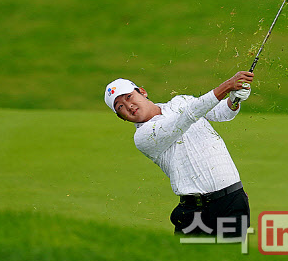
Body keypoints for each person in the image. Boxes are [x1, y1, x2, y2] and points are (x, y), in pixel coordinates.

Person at [103, 71, 254, 238]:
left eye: (129, 97)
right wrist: (226, 86)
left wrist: (234, 99)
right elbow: (184, 119)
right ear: (122, 118)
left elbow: (221, 113)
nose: (128, 106)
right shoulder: (143, 136)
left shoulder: (181, 101)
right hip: (197, 211)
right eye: (120, 107)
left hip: (233, 200)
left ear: (143, 92)